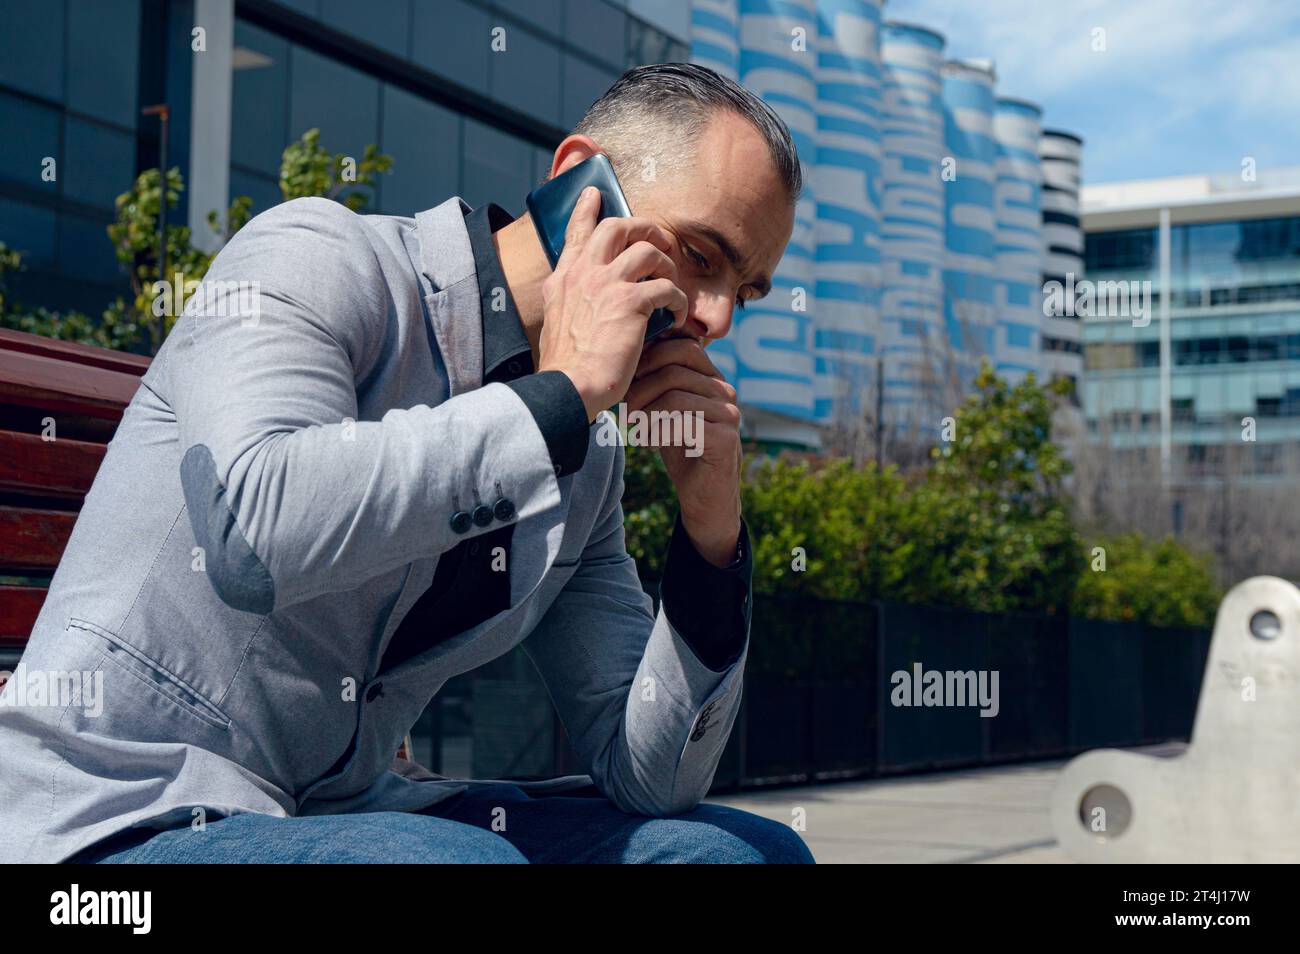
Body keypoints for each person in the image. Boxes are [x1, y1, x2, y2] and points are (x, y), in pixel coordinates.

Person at [0, 63, 812, 864]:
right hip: (120, 812)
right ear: (581, 181)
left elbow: (650, 776)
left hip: (340, 814)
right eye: (704, 256)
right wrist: (556, 401)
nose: (714, 318)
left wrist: (712, 535)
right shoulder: (316, 258)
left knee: (738, 854)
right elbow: (252, 534)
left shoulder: (586, 464)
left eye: (746, 291)